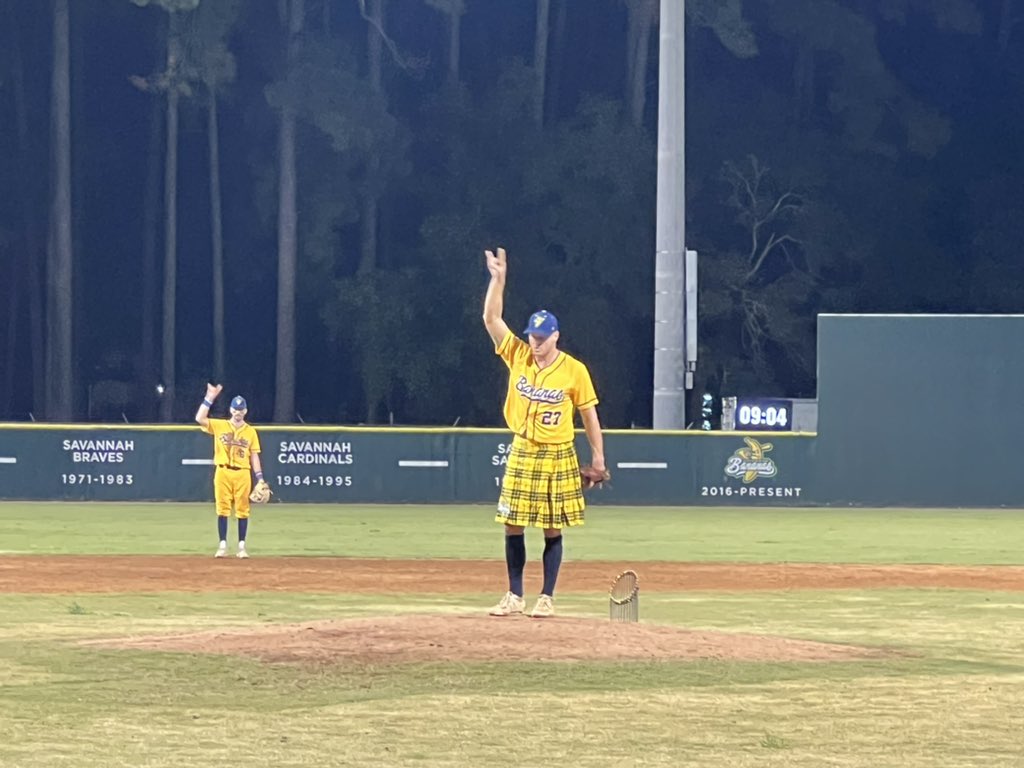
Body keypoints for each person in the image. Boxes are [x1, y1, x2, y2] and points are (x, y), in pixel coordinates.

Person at [482, 246, 607, 618]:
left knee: (552, 527)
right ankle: (514, 595)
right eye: (532, 336)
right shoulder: (518, 355)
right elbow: (491, 318)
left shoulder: (574, 370)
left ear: (556, 337)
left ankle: (547, 597)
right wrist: (498, 280)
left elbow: (589, 413)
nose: (535, 343)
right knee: (512, 522)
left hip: (557, 452)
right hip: (523, 446)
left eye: (541, 337)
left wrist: (599, 455)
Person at [195, 383, 264, 559]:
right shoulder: (220, 426)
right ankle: (222, 546)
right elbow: (199, 418)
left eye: (241, 409)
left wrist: (260, 478)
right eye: (235, 409)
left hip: (243, 473)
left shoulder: (251, 432)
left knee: (243, 509)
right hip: (223, 471)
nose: (238, 412)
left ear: (245, 411)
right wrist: (210, 397)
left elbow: (254, 456)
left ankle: (241, 547)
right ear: (230, 410)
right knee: (222, 509)